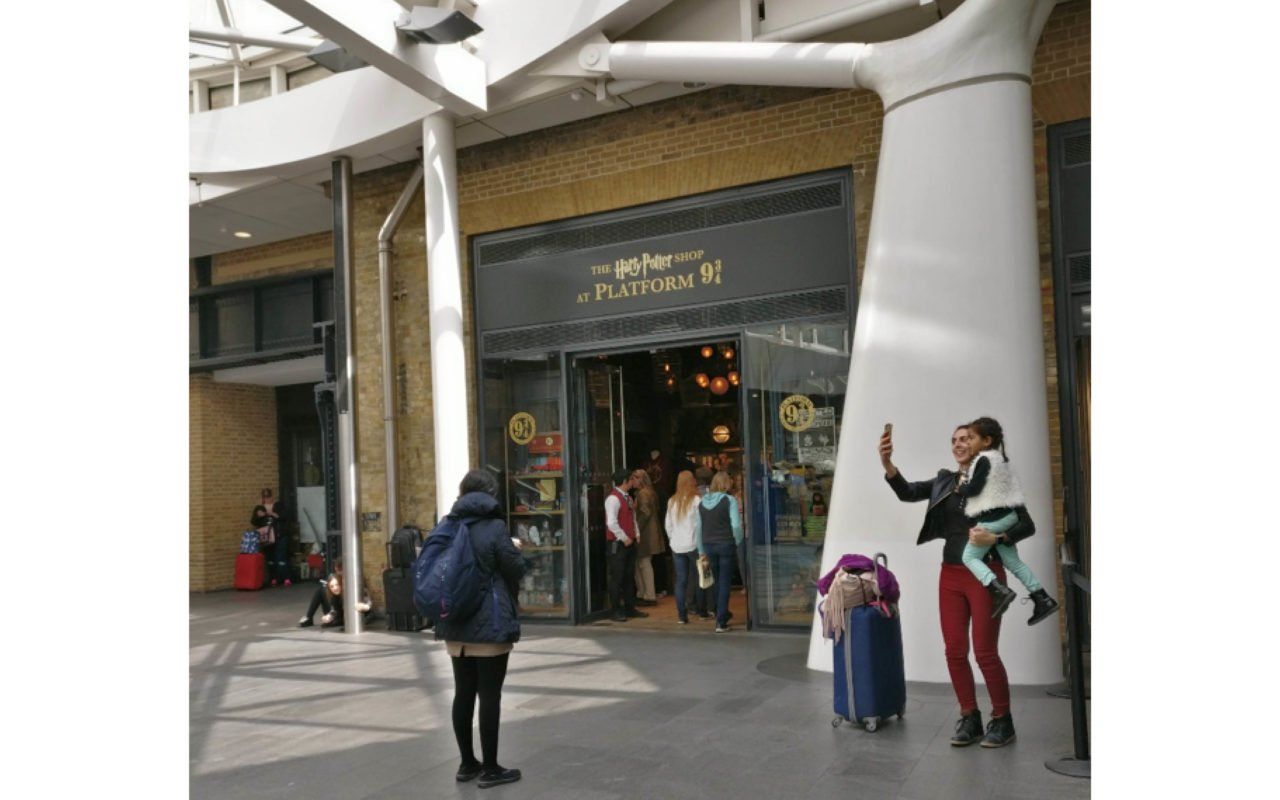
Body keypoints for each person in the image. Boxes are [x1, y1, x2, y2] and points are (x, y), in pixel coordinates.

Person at [879, 424, 1035, 748]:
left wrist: (997, 537)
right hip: (950, 574)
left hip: (985, 574)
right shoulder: (944, 482)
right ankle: (970, 716)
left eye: (965, 438)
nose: (959, 444)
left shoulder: (995, 481)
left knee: (985, 652)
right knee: (954, 651)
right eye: (954, 440)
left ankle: (1003, 720)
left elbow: (1026, 524)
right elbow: (908, 492)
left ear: (979, 444)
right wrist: (888, 464)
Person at [434, 469, 526, 789]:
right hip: (489, 623)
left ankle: (466, 763)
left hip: (455, 622)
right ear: (490, 494)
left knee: (463, 693)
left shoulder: (447, 524)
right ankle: (490, 768)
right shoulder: (495, 527)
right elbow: (516, 569)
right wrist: (514, 548)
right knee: (490, 695)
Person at [955, 417, 1060, 624]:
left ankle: (999, 592)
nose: (968, 443)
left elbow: (974, 489)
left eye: (972, 438)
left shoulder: (984, 459)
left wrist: (960, 488)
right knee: (1013, 562)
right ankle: (1043, 598)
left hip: (994, 518)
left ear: (986, 441)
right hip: (1007, 516)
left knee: (968, 557)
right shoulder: (999, 459)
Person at [696, 471, 743, 633]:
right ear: (727, 483)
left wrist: (701, 550)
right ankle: (721, 620)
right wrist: (737, 540)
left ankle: (720, 613)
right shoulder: (729, 500)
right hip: (726, 544)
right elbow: (736, 525)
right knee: (725, 583)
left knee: (715, 581)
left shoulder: (702, 503)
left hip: (708, 545)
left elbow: (698, 529)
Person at [604, 469, 647, 622]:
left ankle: (630, 608)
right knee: (617, 577)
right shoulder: (613, 499)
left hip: (629, 541)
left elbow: (632, 516)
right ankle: (615, 610)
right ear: (624, 481)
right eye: (631, 479)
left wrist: (637, 533)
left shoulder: (627, 497)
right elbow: (611, 523)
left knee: (629, 576)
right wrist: (624, 537)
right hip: (618, 543)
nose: (633, 482)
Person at [665, 470, 708, 624]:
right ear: (691, 482)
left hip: (677, 546)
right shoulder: (696, 500)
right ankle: (702, 612)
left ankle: (682, 616)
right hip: (694, 544)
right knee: (699, 579)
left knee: (681, 580)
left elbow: (668, 525)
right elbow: (700, 525)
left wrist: (673, 540)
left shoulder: (672, 501)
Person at [298, 559, 371, 628]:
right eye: (336, 570)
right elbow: (335, 608)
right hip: (341, 612)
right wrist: (330, 616)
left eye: (339, 570)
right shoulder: (337, 583)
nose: (338, 573)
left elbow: (367, 601)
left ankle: (337, 620)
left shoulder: (355, 580)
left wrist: (365, 607)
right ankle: (310, 617)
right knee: (321, 590)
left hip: (357, 613)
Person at [631, 469, 664, 607]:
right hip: (650, 532)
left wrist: (635, 530)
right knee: (643, 563)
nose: (632, 481)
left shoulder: (643, 494)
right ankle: (645, 593)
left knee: (643, 563)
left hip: (645, 534)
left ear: (640, 479)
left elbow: (645, 513)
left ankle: (647, 594)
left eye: (634, 478)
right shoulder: (650, 492)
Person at [256, 489, 291, 588]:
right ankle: (273, 578)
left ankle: (286, 578)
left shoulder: (279, 505)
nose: (267, 499)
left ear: (272, 497)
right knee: (270, 559)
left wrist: (272, 513)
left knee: (281, 558)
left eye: (268, 497)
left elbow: (285, 517)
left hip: (280, 535)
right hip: (268, 538)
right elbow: (254, 521)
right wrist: (259, 515)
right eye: (265, 497)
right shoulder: (260, 508)